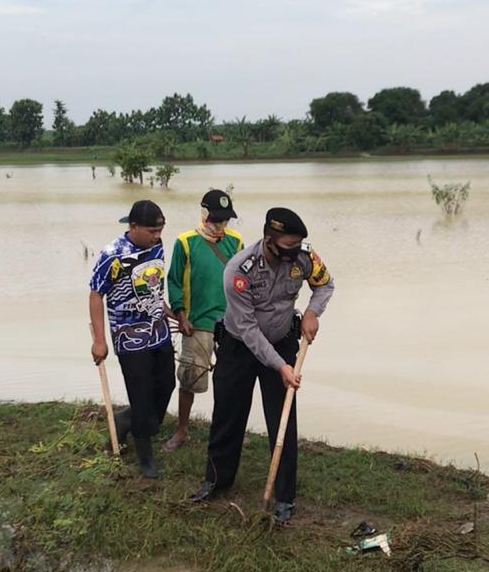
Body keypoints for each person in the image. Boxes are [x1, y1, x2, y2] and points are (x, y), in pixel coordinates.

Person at [190, 207, 334, 524]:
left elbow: (325, 285)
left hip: (282, 338)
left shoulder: (305, 258)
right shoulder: (239, 270)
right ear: (269, 240)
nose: (293, 254)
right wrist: (281, 366)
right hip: (238, 344)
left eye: (297, 246)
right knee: (227, 414)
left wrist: (312, 312)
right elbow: (248, 330)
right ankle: (216, 481)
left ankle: (284, 497)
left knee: (282, 420)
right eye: (287, 247)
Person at [88, 200, 175, 478]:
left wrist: (172, 314)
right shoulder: (113, 255)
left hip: (158, 331)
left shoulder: (157, 246)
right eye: (152, 231)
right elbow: (95, 295)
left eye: (160, 230)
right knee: (141, 394)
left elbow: (154, 288)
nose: (157, 236)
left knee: (166, 385)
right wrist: (100, 340)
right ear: (133, 226)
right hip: (129, 337)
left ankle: (128, 420)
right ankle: (144, 457)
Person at [163, 189, 244, 450]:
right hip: (197, 323)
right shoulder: (185, 242)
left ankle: (225, 429)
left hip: (230, 325)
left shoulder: (236, 242)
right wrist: (180, 314)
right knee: (189, 379)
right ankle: (182, 430)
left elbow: (242, 282)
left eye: (225, 220)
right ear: (204, 213)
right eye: (216, 219)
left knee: (230, 380)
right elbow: (174, 281)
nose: (221, 225)